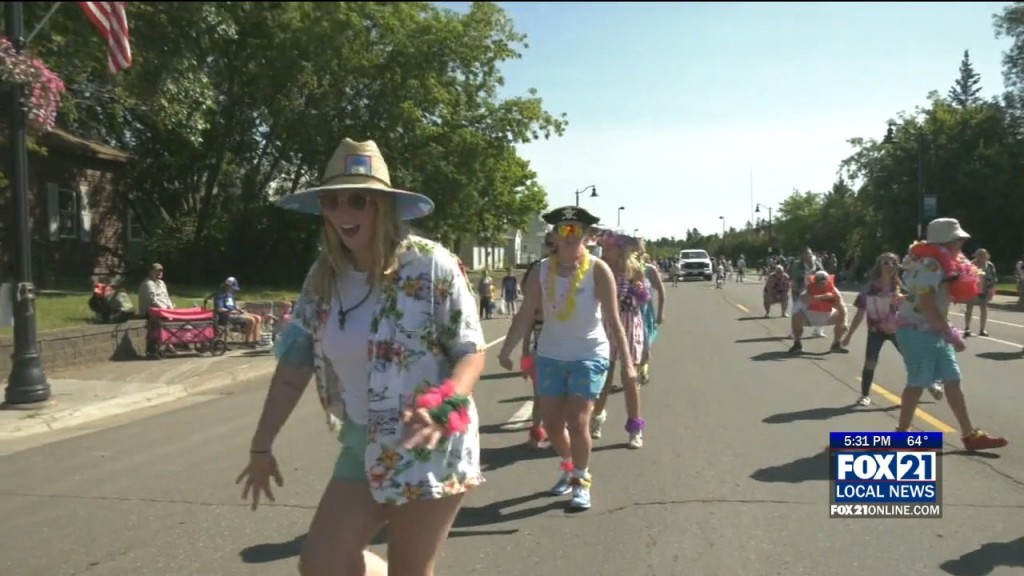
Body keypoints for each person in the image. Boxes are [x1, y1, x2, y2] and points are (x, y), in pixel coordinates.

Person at [236, 138, 486, 576]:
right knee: (321, 564)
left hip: (429, 443)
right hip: (362, 441)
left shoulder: (431, 265)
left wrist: (444, 406)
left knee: (409, 569)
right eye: (332, 202)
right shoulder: (324, 274)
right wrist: (261, 445)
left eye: (357, 200)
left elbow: (470, 353)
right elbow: (294, 364)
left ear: (383, 207)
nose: (343, 212)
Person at [498, 206, 637, 510]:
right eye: (565, 229)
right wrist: (507, 348)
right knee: (552, 425)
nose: (571, 235)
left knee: (578, 422)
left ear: (587, 237)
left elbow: (613, 319)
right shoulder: (540, 270)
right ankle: (570, 464)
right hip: (550, 355)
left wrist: (627, 362)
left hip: (589, 355)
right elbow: (526, 313)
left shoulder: (598, 270)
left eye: (577, 230)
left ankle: (580, 481)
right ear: (556, 235)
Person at [895, 218, 1007, 451]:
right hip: (917, 329)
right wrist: (950, 334)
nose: (962, 244)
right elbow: (926, 304)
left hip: (934, 327)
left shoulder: (942, 263)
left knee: (952, 380)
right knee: (917, 382)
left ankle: (970, 435)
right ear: (946, 242)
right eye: (958, 240)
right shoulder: (929, 265)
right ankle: (902, 435)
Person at [788, 270, 848, 354]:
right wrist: (823, 297)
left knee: (842, 313)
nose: (821, 284)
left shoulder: (834, 291)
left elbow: (841, 307)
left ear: (827, 281)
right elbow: (804, 298)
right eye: (819, 281)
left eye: (823, 281)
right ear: (814, 281)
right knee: (796, 315)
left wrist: (844, 323)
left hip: (827, 317)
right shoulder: (809, 288)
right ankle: (797, 343)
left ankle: (836, 344)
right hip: (808, 318)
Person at [213, 277, 263, 346]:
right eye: (232, 287)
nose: (233, 289)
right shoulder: (220, 295)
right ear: (227, 286)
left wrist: (239, 310)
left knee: (258, 317)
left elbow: (234, 306)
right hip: (226, 316)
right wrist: (232, 311)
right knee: (251, 320)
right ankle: (247, 341)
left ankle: (256, 340)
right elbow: (219, 309)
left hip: (234, 314)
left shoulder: (231, 295)